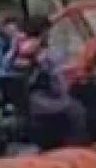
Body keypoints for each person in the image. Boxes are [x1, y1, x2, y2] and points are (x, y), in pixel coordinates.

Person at [13, 15, 87, 148]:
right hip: (42, 101)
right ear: (43, 32)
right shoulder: (42, 53)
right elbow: (55, 81)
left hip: (26, 101)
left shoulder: (16, 51)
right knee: (77, 109)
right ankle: (75, 148)